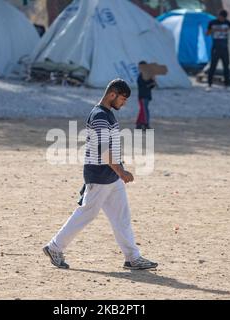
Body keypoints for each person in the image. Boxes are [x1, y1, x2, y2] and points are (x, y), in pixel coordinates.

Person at [43, 79, 158, 271]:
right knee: (86, 214)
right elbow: (104, 150)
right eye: (123, 99)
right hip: (101, 175)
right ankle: (54, 247)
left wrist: (118, 171)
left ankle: (132, 257)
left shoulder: (106, 114)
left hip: (110, 176)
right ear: (112, 94)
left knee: (122, 217)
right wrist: (121, 171)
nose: (124, 103)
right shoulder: (100, 116)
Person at [206, 10, 230, 91]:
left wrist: (229, 28)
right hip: (215, 47)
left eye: (222, 17)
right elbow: (207, 33)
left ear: (224, 17)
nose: (220, 18)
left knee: (226, 66)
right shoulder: (212, 22)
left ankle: (226, 85)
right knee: (213, 66)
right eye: (219, 16)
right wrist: (212, 31)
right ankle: (209, 84)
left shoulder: (227, 22)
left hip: (224, 47)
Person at [136, 61, 157, 130]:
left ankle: (139, 124)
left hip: (146, 96)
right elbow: (145, 86)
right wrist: (152, 82)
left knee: (143, 110)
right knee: (144, 111)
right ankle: (145, 124)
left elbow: (152, 85)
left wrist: (153, 81)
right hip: (142, 96)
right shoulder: (141, 76)